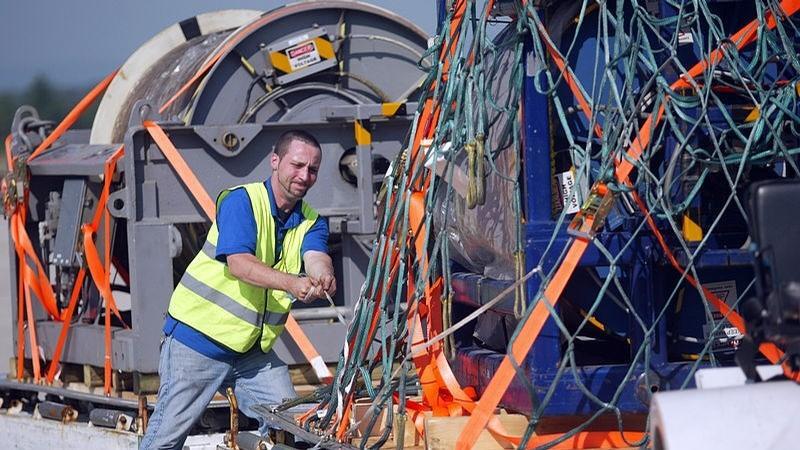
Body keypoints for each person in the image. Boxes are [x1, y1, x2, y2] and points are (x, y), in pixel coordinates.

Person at [141, 130, 336, 449]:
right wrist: (292, 283)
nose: (305, 175)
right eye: (297, 165)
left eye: (313, 169)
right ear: (275, 161)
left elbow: (316, 256)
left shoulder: (311, 220)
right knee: (164, 440)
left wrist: (323, 276)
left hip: (251, 353)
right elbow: (239, 265)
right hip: (198, 341)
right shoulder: (241, 201)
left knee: (296, 431)